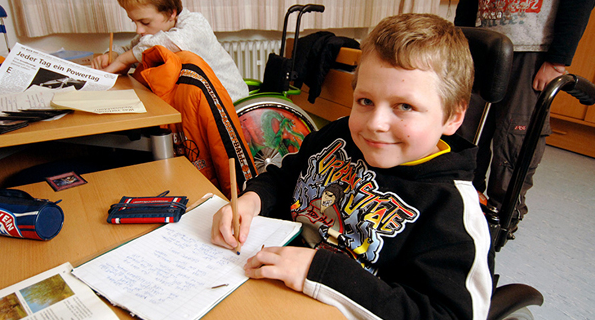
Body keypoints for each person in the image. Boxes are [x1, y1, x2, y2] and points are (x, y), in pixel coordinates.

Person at [211, 13, 493, 320]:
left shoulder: (452, 211)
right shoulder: (338, 134)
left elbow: (447, 314)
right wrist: (253, 201)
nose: (375, 124)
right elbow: (285, 177)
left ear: (453, 116)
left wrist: (320, 270)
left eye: (405, 106)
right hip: (269, 284)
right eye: (365, 101)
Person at [454, 0, 595, 227]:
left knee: (515, 137)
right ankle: (463, 200)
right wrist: (463, 40)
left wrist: (557, 61)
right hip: (482, 45)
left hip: (533, 49)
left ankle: (503, 214)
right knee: (464, 129)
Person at [91, 0, 249, 102]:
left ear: (171, 13)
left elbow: (167, 44)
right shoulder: (152, 34)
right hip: (198, 103)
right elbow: (132, 48)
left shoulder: (195, 24)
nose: (139, 29)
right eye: (134, 21)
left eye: (144, 22)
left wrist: (124, 59)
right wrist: (112, 55)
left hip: (231, 102)